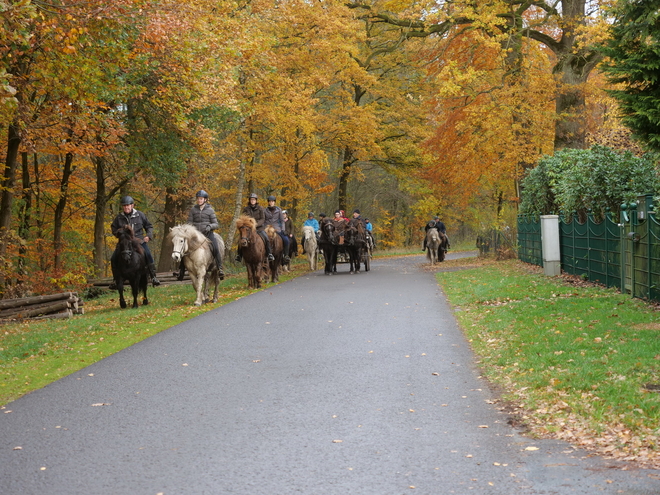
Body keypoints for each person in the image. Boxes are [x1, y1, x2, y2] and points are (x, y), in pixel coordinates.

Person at [110, 195, 160, 288]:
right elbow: (113, 228)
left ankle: (153, 277)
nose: (126, 207)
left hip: (139, 241)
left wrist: (148, 236)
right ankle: (115, 280)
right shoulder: (119, 217)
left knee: (148, 255)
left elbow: (149, 226)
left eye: (128, 205)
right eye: (124, 206)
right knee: (113, 258)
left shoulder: (140, 215)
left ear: (132, 205)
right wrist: (119, 233)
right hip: (124, 242)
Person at [186, 190, 224, 279]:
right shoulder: (193, 210)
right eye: (198, 199)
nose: (199, 200)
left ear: (205, 200)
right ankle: (181, 270)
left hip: (207, 233)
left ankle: (220, 268)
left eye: (201, 199)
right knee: (184, 247)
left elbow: (216, 224)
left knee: (215, 247)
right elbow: (189, 223)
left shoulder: (210, 210)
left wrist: (210, 226)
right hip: (196, 235)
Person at [236, 192, 273, 262]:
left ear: (256, 200)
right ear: (249, 200)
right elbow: (243, 219)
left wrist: (255, 224)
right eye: (251, 199)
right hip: (248, 229)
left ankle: (269, 254)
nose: (252, 201)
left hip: (259, 228)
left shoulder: (261, 208)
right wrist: (248, 225)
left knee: (266, 238)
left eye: (254, 199)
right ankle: (239, 255)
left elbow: (262, 219)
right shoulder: (246, 209)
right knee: (240, 239)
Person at [264, 195, 290, 263]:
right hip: (267, 228)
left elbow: (282, 221)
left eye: (272, 201)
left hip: (276, 228)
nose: (271, 203)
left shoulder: (279, 210)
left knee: (286, 239)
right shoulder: (265, 210)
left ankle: (286, 255)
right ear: (268, 202)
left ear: (274, 202)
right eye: (270, 201)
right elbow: (264, 220)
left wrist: (283, 229)